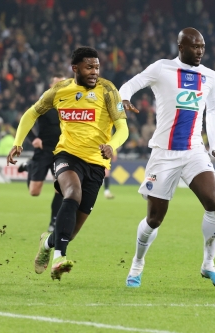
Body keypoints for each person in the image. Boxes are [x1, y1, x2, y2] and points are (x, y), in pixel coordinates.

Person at [7, 47, 129, 281]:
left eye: (97, 67)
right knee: (72, 193)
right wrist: (18, 142)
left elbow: (123, 128)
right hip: (67, 155)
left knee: (69, 232)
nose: (94, 72)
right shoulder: (59, 90)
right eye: (89, 67)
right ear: (75, 68)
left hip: (96, 163)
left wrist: (111, 145)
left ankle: (48, 243)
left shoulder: (108, 90)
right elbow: (31, 113)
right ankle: (59, 259)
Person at [119, 27, 215, 288]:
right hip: (164, 154)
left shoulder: (210, 76)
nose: (200, 51)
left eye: (202, 46)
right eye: (195, 46)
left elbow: (213, 108)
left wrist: (214, 142)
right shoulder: (162, 68)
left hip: (193, 151)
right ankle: (137, 264)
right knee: (154, 219)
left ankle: (208, 264)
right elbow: (130, 84)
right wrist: (124, 99)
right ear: (181, 47)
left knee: (213, 202)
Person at [18, 73, 66, 232]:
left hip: (61, 151)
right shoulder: (44, 103)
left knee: (60, 187)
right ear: (51, 86)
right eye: (57, 84)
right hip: (43, 150)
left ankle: (54, 221)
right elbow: (26, 119)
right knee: (34, 192)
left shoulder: (71, 104)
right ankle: (30, 166)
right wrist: (33, 139)